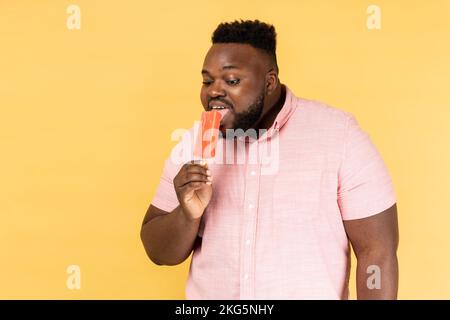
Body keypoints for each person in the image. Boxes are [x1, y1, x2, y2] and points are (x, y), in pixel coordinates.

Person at [141, 20, 399, 299]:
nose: (213, 91)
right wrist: (187, 215)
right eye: (207, 81)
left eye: (232, 81)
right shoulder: (193, 144)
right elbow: (159, 253)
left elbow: (377, 252)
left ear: (269, 82)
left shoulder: (339, 135)